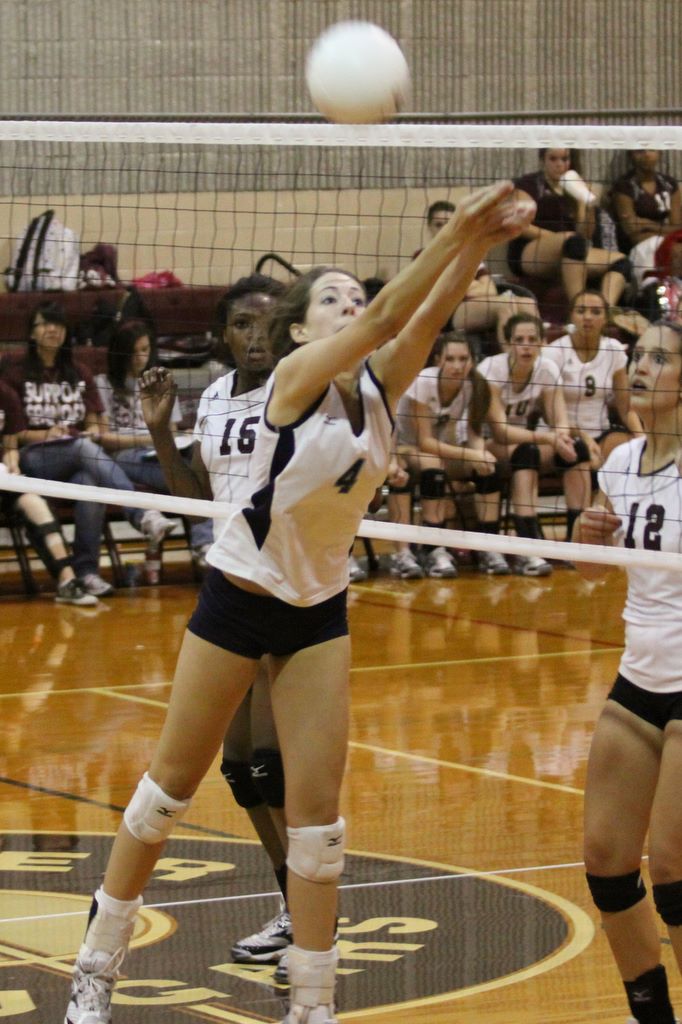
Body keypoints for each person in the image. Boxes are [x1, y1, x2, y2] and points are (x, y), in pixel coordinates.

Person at [63, 180, 536, 1024]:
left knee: (319, 830)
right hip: (238, 600)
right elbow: (387, 315)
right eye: (332, 299)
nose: (350, 303)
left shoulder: (380, 389)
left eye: (354, 293)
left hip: (317, 613)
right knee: (167, 792)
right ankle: (96, 966)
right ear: (303, 330)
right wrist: (459, 226)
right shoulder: (290, 378)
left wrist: (480, 244)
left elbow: (420, 318)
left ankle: (312, 1006)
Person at [139, 273, 292, 966]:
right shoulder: (215, 396)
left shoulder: (298, 389)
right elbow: (194, 499)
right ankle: (293, 903)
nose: (256, 336)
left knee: (271, 765)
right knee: (238, 770)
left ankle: (312, 911)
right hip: (227, 586)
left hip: (285, 588)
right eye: (242, 324)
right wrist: (160, 432)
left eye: (268, 322)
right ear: (222, 334)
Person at [574, 319, 682, 1024]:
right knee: (608, 862)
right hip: (639, 677)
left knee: (673, 871)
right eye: (638, 355)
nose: (642, 366)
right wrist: (585, 538)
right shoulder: (619, 462)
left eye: (661, 357)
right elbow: (592, 569)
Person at [0, 303, 176, 597]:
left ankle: (87, 573)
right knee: (84, 448)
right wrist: (46, 434)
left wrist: (92, 431)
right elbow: (13, 433)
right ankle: (142, 514)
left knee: (89, 484)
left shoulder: (78, 372)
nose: (53, 329)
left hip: (77, 454)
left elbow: (95, 424)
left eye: (58, 324)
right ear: (31, 333)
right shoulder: (17, 374)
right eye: (45, 324)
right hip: (35, 459)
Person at [392, 330, 562, 578]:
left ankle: (487, 546)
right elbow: (425, 442)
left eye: (463, 359)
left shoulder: (472, 385)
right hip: (404, 448)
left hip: (443, 450)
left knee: (487, 469)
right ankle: (432, 549)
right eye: (450, 359)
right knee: (434, 466)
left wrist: (480, 455)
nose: (457, 366)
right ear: (438, 360)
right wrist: (471, 454)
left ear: (472, 361)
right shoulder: (425, 382)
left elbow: (473, 434)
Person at [95, 320, 213, 580]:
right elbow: (104, 438)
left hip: (156, 455)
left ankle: (205, 544)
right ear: (120, 353)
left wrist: (173, 438)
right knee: (188, 478)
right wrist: (149, 438)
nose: (140, 357)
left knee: (195, 465)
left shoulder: (160, 383)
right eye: (134, 351)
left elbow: (170, 430)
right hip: (121, 459)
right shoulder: (103, 383)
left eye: (145, 350)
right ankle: (204, 543)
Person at [479, 313, 587, 573]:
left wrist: (562, 438)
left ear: (541, 343)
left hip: (521, 442)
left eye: (532, 340)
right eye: (519, 340)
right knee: (526, 453)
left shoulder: (546, 368)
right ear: (508, 343)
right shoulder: (490, 369)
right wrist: (549, 437)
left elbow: (559, 418)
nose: (526, 346)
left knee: (578, 450)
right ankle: (528, 547)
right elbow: (500, 432)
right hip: (482, 443)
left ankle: (576, 541)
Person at [544, 290, 643, 538]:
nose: (588, 317)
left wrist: (644, 440)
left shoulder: (614, 351)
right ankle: (576, 536)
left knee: (632, 452)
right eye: (581, 311)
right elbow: (551, 415)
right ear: (571, 316)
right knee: (580, 453)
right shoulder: (555, 353)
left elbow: (626, 408)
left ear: (606, 318)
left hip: (601, 433)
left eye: (595, 312)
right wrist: (584, 438)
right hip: (564, 435)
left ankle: (627, 528)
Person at [0, 378, 97, 605]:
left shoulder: (5, 393)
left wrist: (12, 465)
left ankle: (67, 581)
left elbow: (10, 447)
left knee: (34, 502)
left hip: (3, 479)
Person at [508, 148, 631, 309]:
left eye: (564, 159)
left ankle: (604, 310)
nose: (559, 165)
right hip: (531, 250)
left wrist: (584, 202)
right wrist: (556, 238)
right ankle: (578, 309)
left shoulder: (574, 187)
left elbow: (585, 234)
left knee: (621, 262)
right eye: (553, 159)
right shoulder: (528, 184)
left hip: (572, 248)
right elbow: (521, 226)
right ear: (543, 160)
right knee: (572, 241)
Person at [416, 198, 540, 350]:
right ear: (429, 227)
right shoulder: (423, 256)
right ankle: (511, 358)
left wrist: (465, 287)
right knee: (505, 306)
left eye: (448, 223)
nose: (443, 229)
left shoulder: (467, 253)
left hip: (476, 305)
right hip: (448, 313)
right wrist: (472, 286)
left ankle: (541, 355)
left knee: (527, 303)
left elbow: (490, 289)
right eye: (438, 224)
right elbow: (449, 291)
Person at [611, 150, 681, 288]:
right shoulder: (624, 186)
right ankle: (651, 293)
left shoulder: (670, 184)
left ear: (660, 152)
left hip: (670, 244)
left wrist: (648, 225)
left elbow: (678, 229)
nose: (647, 155)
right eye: (640, 150)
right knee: (655, 247)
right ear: (631, 154)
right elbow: (633, 233)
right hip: (639, 248)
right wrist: (667, 232)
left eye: (651, 149)